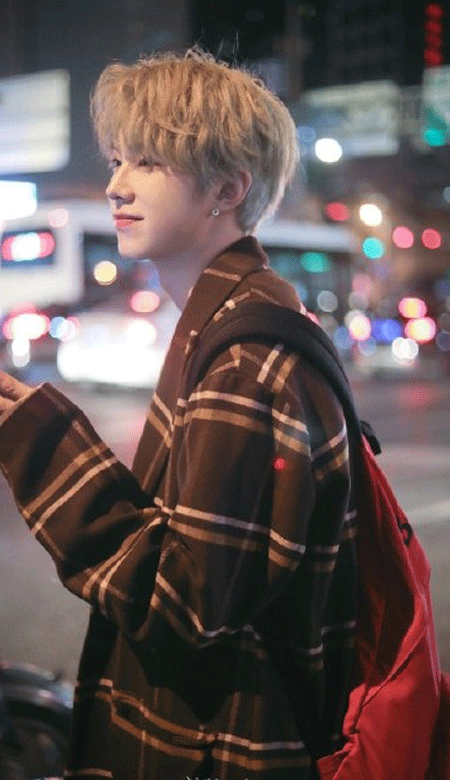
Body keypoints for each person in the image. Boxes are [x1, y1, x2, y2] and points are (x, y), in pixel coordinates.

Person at [0, 48, 358, 779]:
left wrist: (46, 445)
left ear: (227, 188)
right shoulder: (230, 322)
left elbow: (185, 606)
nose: (116, 185)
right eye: (117, 159)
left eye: (149, 162)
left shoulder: (245, 360)